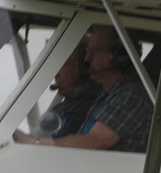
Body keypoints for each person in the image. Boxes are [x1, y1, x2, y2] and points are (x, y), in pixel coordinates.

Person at [15, 27, 151, 152]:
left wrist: (33, 142)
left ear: (120, 57)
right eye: (87, 52)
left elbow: (92, 143)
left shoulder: (131, 95)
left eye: (94, 52)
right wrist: (23, 138)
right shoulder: (108, 96)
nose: (87, 59)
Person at [36, 45, 99, 140]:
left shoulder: (98, 111)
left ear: (84, 67)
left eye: (62, 65)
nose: (56, 74)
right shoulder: (58, 110)